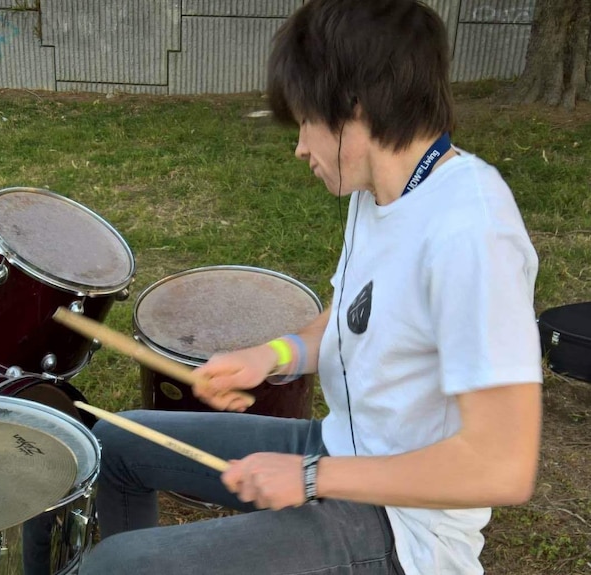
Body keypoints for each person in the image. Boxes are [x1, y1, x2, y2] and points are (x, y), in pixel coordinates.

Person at [77, 0, 543, 573]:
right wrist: (273, 354)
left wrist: (311, 477)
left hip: (403, 529)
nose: (300, 146)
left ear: (355, 109)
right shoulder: (379, 191)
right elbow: (354, 315)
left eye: (304, 120)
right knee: (115, 442)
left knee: (116, 566)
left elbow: (503, 466)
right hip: (342, 447)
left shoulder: (473, 236)